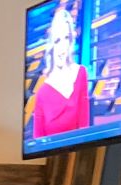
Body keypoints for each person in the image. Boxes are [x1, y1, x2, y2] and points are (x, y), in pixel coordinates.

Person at [32, 6, 91, 139]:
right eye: (58, 40)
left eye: (66, 38)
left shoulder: (80, 73)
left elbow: (84, 129)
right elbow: (38, 142)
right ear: (52, 45)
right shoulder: (42, 93)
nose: (62, 47)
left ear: (71, 42)